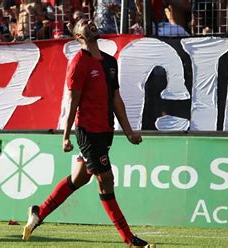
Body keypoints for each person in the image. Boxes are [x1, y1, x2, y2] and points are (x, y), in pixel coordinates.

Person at [22, 17, 153, 248]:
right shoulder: (78, 63)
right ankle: (129, 239)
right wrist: (65, 136)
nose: (90, 22)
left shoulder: (111, 62)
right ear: (79, 36)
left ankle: (38, 212)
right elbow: (72, 102)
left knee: (80, 177)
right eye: (83, 23)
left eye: (90, 20)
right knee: (106, 181)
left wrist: (129, 131)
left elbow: (115, 99)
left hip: (105, 131)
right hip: (88, 133)